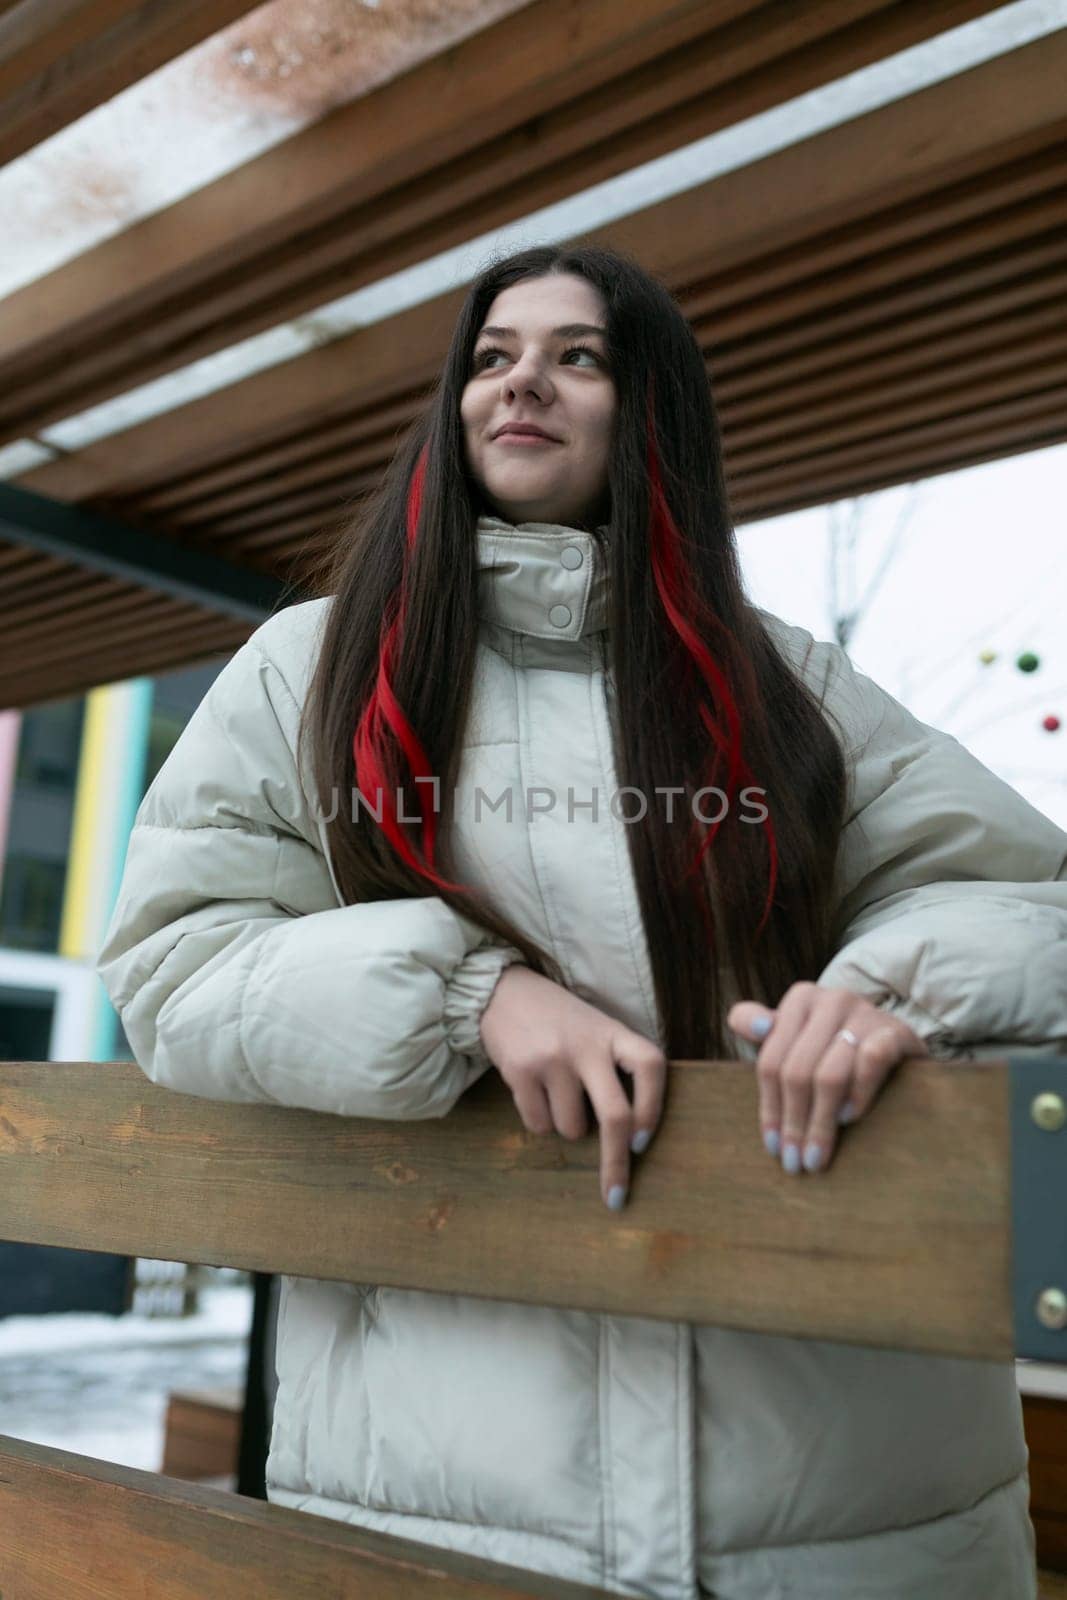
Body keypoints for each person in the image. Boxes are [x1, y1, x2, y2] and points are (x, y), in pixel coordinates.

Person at [96, 244, 1066, 1600]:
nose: (522, 384)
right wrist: (463, 993)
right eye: (491, 357)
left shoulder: (790, 681)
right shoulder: (312, 668)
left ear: (648, 406)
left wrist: (894, 986)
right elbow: (177, 958)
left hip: (839, 1462)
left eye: (578, 355)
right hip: (448, 1454)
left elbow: (1030, 896)